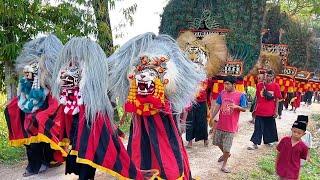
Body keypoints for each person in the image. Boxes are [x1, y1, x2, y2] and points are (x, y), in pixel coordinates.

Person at [51, 37, 154, 180]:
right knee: (80, 152)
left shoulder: (91, 78)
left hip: (90, 117)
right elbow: (64, 85)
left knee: (89, 151)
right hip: (76, 118)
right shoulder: (69, 70)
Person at [108, 33, 205, 179]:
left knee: (168, 160)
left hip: (163, 123)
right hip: (140, 125)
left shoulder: (166, 97)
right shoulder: (135, 91)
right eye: (141, 70)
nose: (143, 76)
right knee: (139, 155)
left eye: (150, 71)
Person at [4, 35, 65, 177]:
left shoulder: (48, 71)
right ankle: (35, 163)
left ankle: (42, 161)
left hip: (46, 104)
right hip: (29, 106)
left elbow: (51, 91)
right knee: (16, 116)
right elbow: (23, 91)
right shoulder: (28, 71)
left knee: (40, 123)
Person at [210, 76, 247, 173]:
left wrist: (236, 106)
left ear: (234, 85)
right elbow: (218, 105)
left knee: (227, 147)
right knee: (216, 142)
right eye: (224, 84)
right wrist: (212, 116)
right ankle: (226, 154)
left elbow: (244, 108)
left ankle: (224, 165)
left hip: (231, 126)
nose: (225, 86)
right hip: (221, 124)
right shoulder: (222, 93)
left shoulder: (240, 95)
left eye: (228, 84)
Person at [248, 70, 282, 150]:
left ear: (273, 77)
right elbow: (257, 98)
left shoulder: (276, 86)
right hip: (260, 110)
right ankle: (255, 143)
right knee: (258, 127)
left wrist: (276, 111)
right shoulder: (259, 85)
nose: (268, 77)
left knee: (269, 126)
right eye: (267, 76)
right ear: (264, 76)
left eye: (270, 76)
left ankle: (269, 140)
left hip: (270, 110)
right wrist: (254, 109)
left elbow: (277, 99)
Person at [276, 115, 310, 180]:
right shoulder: (284, 140)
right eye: (294, 131)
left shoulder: (303, 147)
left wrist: (298, 175)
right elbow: (278, 153)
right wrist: (276, 165)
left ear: (304, 134)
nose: (296, 134)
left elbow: (300, 161)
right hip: (282, 169)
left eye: (299, 133)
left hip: (293, 172)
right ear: (291, 130)